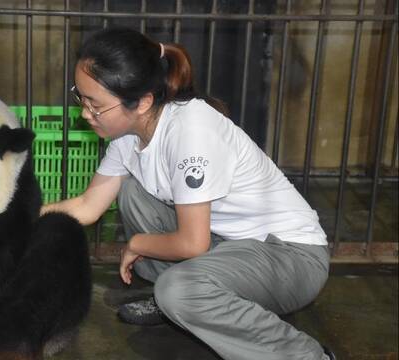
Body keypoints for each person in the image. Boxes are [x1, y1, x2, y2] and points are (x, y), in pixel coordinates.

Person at [41, 27, 335, 360]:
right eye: (81, 97)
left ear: (142, 102)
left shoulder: (191, 132)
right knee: (135, 192)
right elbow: (88, 206)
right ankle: (191, 302)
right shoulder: (128, 135)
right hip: (230, 243)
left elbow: (192, 244)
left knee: (178, 291)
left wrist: (137, 243)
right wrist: (14, 217)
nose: (84, 113)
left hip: (290, 256)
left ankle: (304, 355)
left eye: (95, 105)